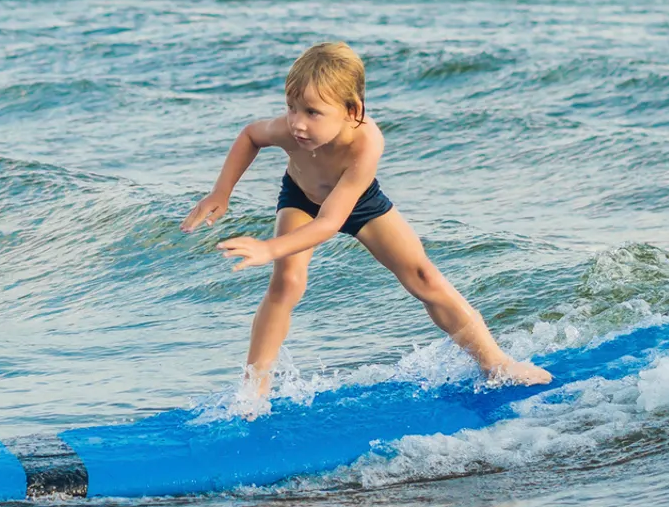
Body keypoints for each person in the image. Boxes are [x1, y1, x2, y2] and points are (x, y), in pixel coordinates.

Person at [181, 41, 553, 398]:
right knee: (287, 283)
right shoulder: (288, 130)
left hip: (357, 202)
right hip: (301, 196)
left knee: (423, 276)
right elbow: (250, 135)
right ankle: (254, 389)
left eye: (312, 112)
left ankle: (497, 364)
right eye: (292, 107)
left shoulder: (365, 142)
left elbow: (329, 223)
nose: (297, 123)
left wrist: (268, 248)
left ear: (353, 111)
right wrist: (221, 192)